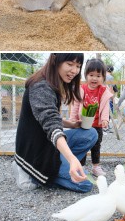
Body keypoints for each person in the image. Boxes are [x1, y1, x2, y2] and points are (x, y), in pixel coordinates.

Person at [14, 54, 98, 193]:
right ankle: (31, 173)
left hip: (48, 144)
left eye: (78, 66)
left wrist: (70, 125)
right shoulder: (41, 86)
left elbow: (48, 118)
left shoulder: (53, 82)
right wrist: (71, 159)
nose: (74, 71)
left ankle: (64, 167)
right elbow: (51, 124)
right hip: (36, 151)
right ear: (55, 61)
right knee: (86, 185)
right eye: (70, 64)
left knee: (91, 134)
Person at [69, 58, 113, 177]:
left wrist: (105, 119)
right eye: (91, 75)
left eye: (98, 75)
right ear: (86, 75)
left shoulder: (103, 90)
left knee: (96, 146)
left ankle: (96, 166)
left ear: (103, 77)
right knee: (82, 144)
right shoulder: (81, 89)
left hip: (97, 124)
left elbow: (105, 107)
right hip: (82, 123)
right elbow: (76, 104)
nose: (94, 78)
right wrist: (73, 119)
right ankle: (81, 166)